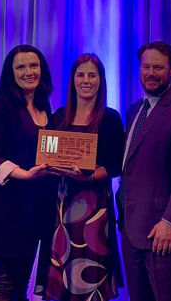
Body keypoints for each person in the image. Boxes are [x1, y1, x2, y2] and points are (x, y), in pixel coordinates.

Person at [116, 41, 171, 301]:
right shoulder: (134, 110)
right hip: (131, 230)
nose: (151, 73)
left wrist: (170, 222)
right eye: (146, 67)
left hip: (161, 232)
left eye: (158, 67)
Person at [37, 53, 125, 301]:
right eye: (81, 74)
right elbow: (48, 157)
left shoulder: (109, 118)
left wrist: (91, 175)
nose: (86, 80)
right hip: (61, 207)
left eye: (92, 75)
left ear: (101, 80)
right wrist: (50, 167)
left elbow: (117, 165)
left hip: (94, 209)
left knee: (90, 280)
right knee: (61, 280)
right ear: (73, 79)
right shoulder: (59, 116)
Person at [0, 44, 58, 301]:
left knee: (21, 286)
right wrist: (22, 174)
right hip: (6, 208)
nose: (28, 72)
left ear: (42, 69)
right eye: (20, 67)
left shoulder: (46, 108)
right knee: (5, 285)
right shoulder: (2, 104)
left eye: (33, 66)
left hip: (35, 209)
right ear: (11, 72)